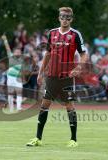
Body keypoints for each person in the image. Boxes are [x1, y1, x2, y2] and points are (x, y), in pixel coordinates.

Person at [26, 7, 88, 147]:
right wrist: (41, 72)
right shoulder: (52, 33)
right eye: (62, 17)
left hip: (66, 77)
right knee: (44, 104)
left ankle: (73, 140)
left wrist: (79, 67)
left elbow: (84, 54)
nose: (65, 20)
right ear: (58, 18)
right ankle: (38, 138)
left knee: (69, 105)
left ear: (71, 19)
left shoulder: (75, 34)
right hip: (51, 76)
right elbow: (48, 54)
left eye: (68, 17)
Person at [2, 35, 23, 112]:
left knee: (19, 93)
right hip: (10, 77)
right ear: (14, 53)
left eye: (19, 52)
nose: (18, 53)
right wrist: (5, 40)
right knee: (10, 94)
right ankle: (11, 108)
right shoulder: (11, 56)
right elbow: (7, 48)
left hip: (18, 78)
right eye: (16, 52)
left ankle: (18, 108)